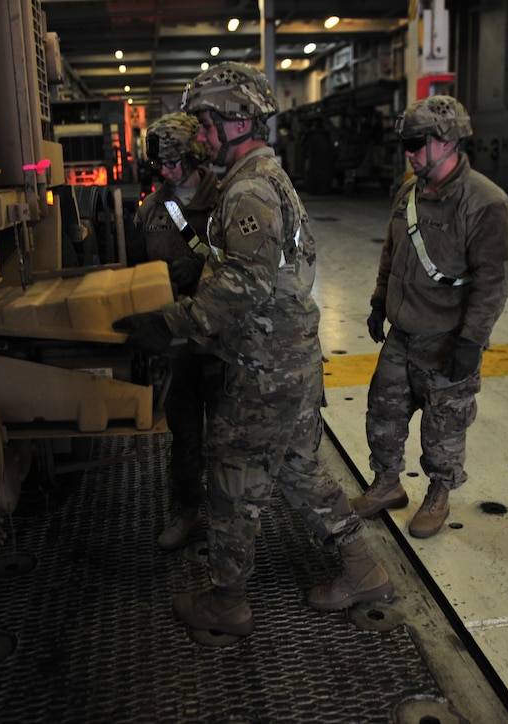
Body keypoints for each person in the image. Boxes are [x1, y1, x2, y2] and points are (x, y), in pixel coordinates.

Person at [113, 62, 394, 637]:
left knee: (232, 478)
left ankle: (227, 601)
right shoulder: (262, 178)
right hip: (284, 360)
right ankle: (363, 567)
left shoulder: (249, 188)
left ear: (236, 121)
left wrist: (166, 324)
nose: (201, 136)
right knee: (297, 471)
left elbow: (239, 289)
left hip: (265, 369)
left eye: (206, 122)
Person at [351, 95, 508, 538]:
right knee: (382, 416)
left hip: (447, 340)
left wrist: (471, 341)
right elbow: (393, 252)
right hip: (402, 335)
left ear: (448, 141)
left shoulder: (485, 203)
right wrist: (378, 301)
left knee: (443, 432)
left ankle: (439, 493)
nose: (407, 153)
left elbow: (493, 283)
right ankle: (387, 484)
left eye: (415, 143)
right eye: (404, 143)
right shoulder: (409, 193)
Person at [129, 113, 220, 551]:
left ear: (195, 155)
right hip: (178, 347)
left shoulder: (227, 200)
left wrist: (202, 265)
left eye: (173, 163)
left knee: (229, 439)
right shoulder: (150, 211)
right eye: (158, 165)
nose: (165, 172)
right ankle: (187, 512)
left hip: (224, 345)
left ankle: (231, 519)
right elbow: (135, 276)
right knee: (185, 438)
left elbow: (259, 264)